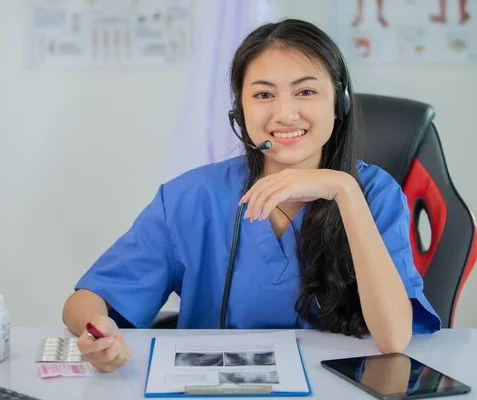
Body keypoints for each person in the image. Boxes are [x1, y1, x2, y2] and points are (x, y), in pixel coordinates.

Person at [62, 18, 442, 373]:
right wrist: (99, 329)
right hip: (215, 387)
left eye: (306, 91)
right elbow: (87, 301)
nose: (285, 113)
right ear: (240, 109)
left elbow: (393, 338)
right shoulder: (191, 197)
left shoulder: (373, 194)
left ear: (338, 103)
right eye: (263, 94)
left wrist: (343, 190)